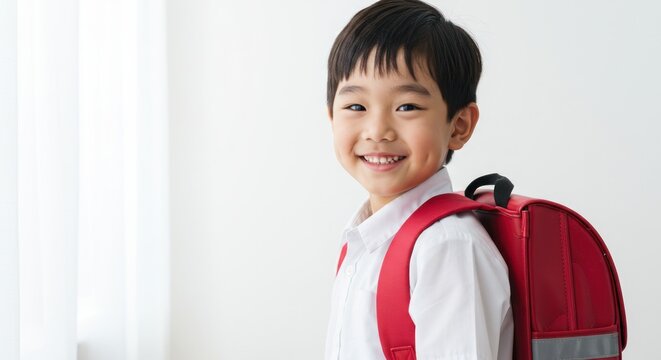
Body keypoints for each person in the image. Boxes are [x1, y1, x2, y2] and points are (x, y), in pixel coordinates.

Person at [324, 0, 513, 359]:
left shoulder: (447, 246)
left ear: (459, 126)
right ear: (331, 117)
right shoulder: (364, 238)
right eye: (356, 106)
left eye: (407, 107)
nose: (378, 130)